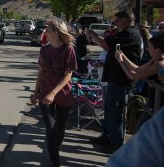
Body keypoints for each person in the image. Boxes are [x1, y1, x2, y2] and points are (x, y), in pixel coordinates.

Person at [86, 9, 142, 154]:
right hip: (113, 78)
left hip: (120, 80)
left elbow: (106, 45)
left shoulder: (129, 33)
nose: (115, 24)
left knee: (114, 112)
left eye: (117, 21)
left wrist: (93, 34)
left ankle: (115, 143)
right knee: (110, 110)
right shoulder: (125, 33)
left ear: (124, 20)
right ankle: (108, 137)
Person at [30, 18, 77, 167]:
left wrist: (54, 93)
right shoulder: (44, 49)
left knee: (60, 130)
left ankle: (54, 149)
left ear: (55, 33)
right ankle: (55, 162)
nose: (45, 33)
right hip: (45, 93)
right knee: (51, 129)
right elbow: (40, 72)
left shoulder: (68, 49)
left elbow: (68, 74)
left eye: (47, 30)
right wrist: (35, 92)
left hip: (63, 94)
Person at [115, 35, 164, 131]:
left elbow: (133, 75)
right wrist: (123, 56)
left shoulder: (160, 64)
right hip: (153, 102)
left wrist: (120, 62)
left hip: (159, 104)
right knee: (141, 129)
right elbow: (137, 69)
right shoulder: (154, 60)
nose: (147, 49)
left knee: (142, 129)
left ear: (157, 49)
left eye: (149, 47)